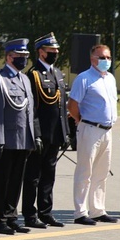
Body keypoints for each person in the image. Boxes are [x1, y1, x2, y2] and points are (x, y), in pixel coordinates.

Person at [0, 38, 41, 235]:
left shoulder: (24, 79)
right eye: (20, 56)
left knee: (16, 181)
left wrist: (34, 136)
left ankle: (11, 217)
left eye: (26, 56)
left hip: (23, 139)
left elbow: (29, 111)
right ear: (9, 57)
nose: (24, 60)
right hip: (6, 140)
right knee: (2, 181)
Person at [66, 44, 119, 226]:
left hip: (107, 130)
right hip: (89, 129)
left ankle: (97, 210)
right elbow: (72, 105)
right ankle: (80, 212)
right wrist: (81, 119)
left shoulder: (110, 78)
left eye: (108, 57)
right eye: (102, 58)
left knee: (101, 172)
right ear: (92, 59)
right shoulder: (84, 78)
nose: (106, 61)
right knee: (85, 171)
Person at [23, 32, 70, 228]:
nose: (55, 53)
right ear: (41, 53)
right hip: (40, 135)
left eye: (56, 50)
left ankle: (45, 212)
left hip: (55, 134)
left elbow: (62, 107)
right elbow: (31, 108)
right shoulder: (33, 75)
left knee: (49, 175)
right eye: (51, 50)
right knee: (33, 176)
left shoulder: (58, 73)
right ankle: (29, 214)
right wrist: (36, 134)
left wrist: (66, 133)